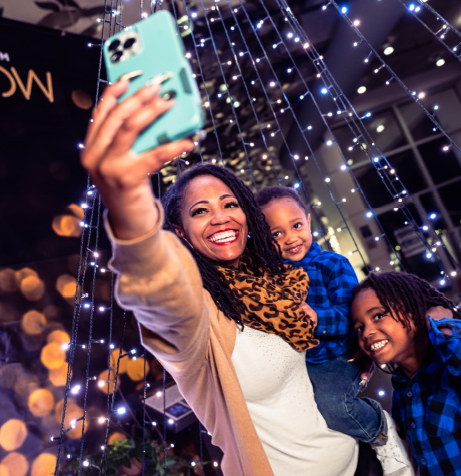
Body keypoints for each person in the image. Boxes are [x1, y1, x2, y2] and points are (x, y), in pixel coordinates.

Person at [81, 77, 358, 475]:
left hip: (356, 459)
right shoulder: (200, 314)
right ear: (180, 232)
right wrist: (129, 206)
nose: (220, 216)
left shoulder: (280, 280)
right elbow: (161, 288)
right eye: (200, 211)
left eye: (229, 203)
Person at [255, 186, 412, 476]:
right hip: (299, 363)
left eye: (296, 226)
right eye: (276, 234)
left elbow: (355, 319)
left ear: (308, 221)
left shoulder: (331, 264)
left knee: (334, 407)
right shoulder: (269, 280)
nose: (290, 239)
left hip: (336, 357)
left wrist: (317, 318)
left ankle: (380, 428)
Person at [350, 271, 461, 476]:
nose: (367, 332)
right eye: (359, 328)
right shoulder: (401, 389)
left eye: (378, 316)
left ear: (414, 311)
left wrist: (438, 322)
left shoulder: (458, 367)